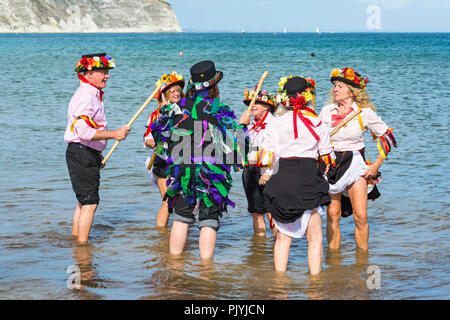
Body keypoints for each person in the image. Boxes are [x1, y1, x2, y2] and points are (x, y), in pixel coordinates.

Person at [149, 60, 246, 260]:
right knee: (208, 221)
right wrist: (243, 128)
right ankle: (206, 271)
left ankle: (175, 266)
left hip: (182, 171)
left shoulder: (173, 108)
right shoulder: (221, 111)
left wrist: (173, 155)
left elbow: (158, 140)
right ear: (214, 86)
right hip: (211, 174)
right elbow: (237, 155)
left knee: (181, 219)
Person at [260, 76, 336, 274]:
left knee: (283, 238)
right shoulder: (317, 122)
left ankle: (279, 285)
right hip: (307, 178)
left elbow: (267, 158)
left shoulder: (274, 123)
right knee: (315, 237)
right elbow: (327, 157)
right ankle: (315, 285)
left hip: (282, 178)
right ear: (307, 96)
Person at [319, 67, 397, 250]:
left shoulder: (364, 113)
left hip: (355, 162)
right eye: (334, 87)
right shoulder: (326, 111)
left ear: (351, 90)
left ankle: (362, 260)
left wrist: (376, 166)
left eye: (339, 86)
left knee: (361, 216)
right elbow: (317, 138)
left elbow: (388, 137)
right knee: (333, 214)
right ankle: (333, 259)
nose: (335, 90)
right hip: (331, 163)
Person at [64, 53, 130, 243]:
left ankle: (77, 242)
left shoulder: (92, 95)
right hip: (81, 152)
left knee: (83, 201)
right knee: (90, 202)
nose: (107, 75)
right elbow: (83, 132)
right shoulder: (86, 97)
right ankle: (83, 248)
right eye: (103, 71)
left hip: (84, 153)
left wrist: (97, 154)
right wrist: (115, 133)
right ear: (89, 73)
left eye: (107, 71)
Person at [144, 71, 185, 227]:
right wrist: (154, 143)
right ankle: (161, 236)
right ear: (166, 95)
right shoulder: (156, 115)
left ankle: (176, 233)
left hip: (182, 160)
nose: (176, 93)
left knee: (182, 201)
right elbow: (148, 138)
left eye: (178, 91)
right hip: (163, 160)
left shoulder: (185, 111)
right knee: (168, 201)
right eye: (172, 91)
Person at [238, 88, 278, 237]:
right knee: (256, 212)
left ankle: (277, 245)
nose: (252, 105)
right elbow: (240, 149)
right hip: (250, 170)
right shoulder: (249, 123)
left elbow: (278, 151)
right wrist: (241, 126)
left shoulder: (274, 123)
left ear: (267, 106)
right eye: (250, 103)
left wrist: (268, 174)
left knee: (271, 212)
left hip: (270, 170)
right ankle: (259, 250)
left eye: (257, 103)